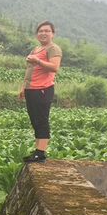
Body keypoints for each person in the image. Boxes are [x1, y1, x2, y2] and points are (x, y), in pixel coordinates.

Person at [18, 21, 62, 163]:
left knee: (41, 120)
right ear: (37, 34)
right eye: (40, 31)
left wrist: (38, 61)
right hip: (31, 89)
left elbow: (54, 67)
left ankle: (40, 152)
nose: (43, 33)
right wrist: (23, 87)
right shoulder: (35, 49)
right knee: (34, 120)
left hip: (43, 89)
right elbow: (30, 71)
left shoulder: (53, 49)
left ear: (52, 34)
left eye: (47, 31)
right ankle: (37, 150)